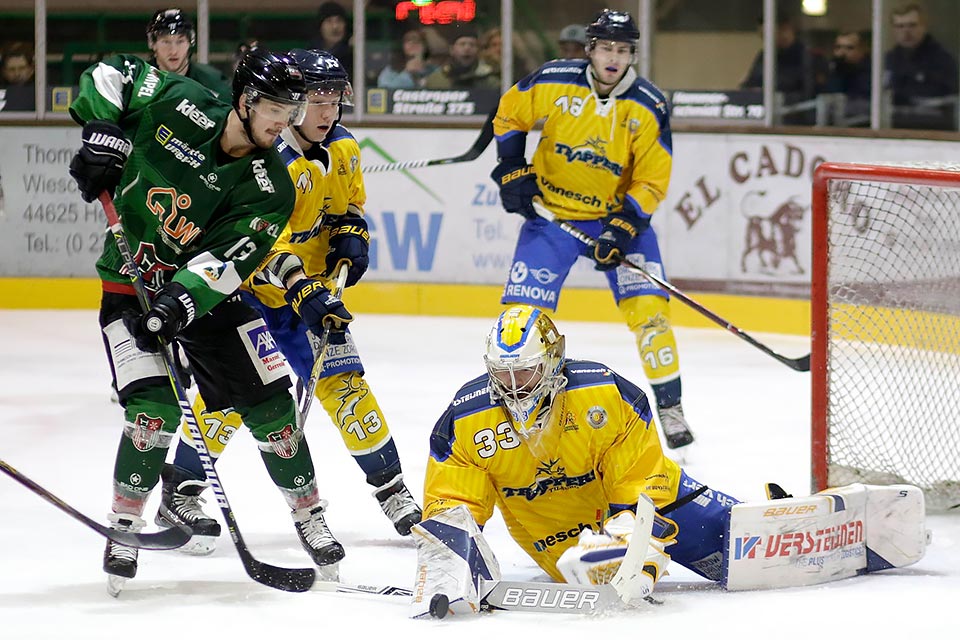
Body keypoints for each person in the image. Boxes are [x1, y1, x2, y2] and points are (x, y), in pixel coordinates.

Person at [409, 306, 928, 616]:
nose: (512, 386)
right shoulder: (465, 419)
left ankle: (788, 521)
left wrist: (630, 538)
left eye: (523, 372)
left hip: (644, 508)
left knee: (739, 547)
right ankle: (622, 556)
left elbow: (640, 485)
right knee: (591, 568)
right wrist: (448, 562)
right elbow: (453, 505)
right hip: (560, 546)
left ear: (551, 362)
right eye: (501, 373)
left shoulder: (607, 395)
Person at [68, 48, 351, 594]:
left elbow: (229, 260)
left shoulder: (272, 185)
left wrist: (180, 301)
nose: (284, 122)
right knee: (152, 413)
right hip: (130, 287)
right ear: (244, 100)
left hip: (206, 300)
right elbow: (114, 72)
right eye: (275, 107)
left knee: (273, 406)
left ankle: (309, 514)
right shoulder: (179, 103)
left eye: (293, 111)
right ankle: (124, 525)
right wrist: (102, 127)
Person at [154, 48, 422, 555]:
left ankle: (391, 489)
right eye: (316, 102)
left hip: (312, 297)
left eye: (335, 100)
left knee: (347, 389)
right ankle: (182, 489)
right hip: (252, 296)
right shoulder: (266, 161)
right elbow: (259, 246)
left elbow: (347, 206)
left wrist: (352, 234)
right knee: (234, 399)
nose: (328, 113)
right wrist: (305, 288)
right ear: (293, 105)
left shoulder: (343, 148)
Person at [489, 9, 694, 450]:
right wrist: (511, 167)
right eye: (606, 48)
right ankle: (522, 404)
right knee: (520, 323)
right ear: (590, 50)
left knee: (651, 316)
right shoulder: (553, 79)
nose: (613, 58)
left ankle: (671, 407)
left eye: (622, 50)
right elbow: (508, 115)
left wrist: (623, 228)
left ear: (632, 54)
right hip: (553, 218)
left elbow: (653, 178)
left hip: (619, 219)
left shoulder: (648, 103)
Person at [740, 14, 827, 123]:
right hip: (763, 116)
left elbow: (810, 94)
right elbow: (750, 82)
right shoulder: (765, 56)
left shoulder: (809, 58)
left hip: (798, 121)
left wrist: (777, 97)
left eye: (768, 35)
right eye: (762, 36)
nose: (765, 40)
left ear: (786, 30)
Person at [884, 3, 958, 129]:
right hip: (895, 124)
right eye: (900, 26)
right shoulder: (890, 58)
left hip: (934, 126)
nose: (906, 31)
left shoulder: (942, 58)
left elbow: (948, 94)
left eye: (912, 25)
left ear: (923, 27)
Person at [146, 8, 231, 100]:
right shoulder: (136, 81)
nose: (173, 51)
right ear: (153, 44)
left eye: (180, 41)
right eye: (166, 42)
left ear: (190, 42)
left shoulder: (214, 83)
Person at [423, 29, 500, 90]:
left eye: (472, 45)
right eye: (462, 44)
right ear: (452, 49)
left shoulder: (491, 82)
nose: (467, 48)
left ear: (478, 50)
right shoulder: (436, 80)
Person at [823, 30, 871, 125]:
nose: (842, 52)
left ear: (862, 50)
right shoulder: (833, 70)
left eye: (849, 48)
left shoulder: (871, 73)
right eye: (838, 47)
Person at [308, 1, 353, 79]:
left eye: (339, 21)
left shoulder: (353, 56)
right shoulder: (309, 56)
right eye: (329, 21)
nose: (335, 27)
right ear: (320, 26)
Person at [0, 42, 36, 111]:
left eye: (22, 68)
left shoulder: (40, 92)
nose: (17, 73)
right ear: (3, 72)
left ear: (31, 70)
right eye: (11, 69)